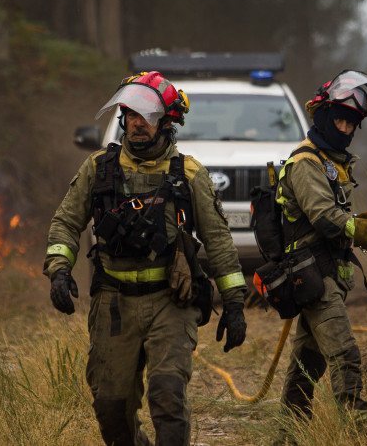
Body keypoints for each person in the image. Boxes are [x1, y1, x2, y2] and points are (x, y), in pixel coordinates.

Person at [43, 71, 249, 446]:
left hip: (170, 301)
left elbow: (218, 242)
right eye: (131, 115)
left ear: (167, 122)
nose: (138, 123)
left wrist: (234, 303)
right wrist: (59, 269)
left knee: (167, 396)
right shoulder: (98, 169)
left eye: (148, 116)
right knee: (111, 409)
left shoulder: (189, 174)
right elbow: (65, 222)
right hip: (114, 303)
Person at [273, 70, 367, 443]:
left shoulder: (331, 161)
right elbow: (326, 218)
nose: (346, 128)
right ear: (321, 117)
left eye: (352, 123)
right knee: (345, 353)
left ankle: (286, 436)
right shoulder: (306, 163)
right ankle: (360, 434)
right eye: (339, 119)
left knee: (308, 362)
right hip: (310, 275)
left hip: (324, 274)